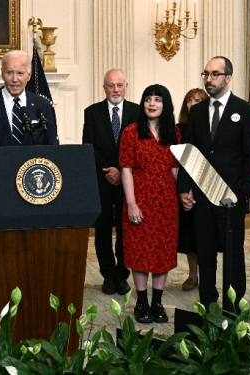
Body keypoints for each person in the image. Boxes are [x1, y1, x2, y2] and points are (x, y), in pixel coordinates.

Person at [177, 56, 250, 311]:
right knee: (205, 253)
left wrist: (245, 191)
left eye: (215, 74)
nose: (209, 79)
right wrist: (183, 188)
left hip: (230, 196)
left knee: (233, 255)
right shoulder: (199, 111)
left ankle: (233, 306)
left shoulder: (245, 110)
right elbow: (189, 153)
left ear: (228, 77)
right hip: (202, 195)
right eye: (206, 74)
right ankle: (208, 303)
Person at [120, 84, 181, 324]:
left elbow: (175, 168)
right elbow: (126, 170)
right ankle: (141, 302)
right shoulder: (131, 132)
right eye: (148, 99)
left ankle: (158, 303)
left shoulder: (174, 132)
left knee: (162, 253)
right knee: (140, 252)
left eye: (157, 99)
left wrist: (171, 195)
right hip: (140, 200)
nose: (152, 104)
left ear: (165, 105)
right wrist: (132, 204)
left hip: (166, 203)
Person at [82, 69, 139, 296]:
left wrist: (122, 170)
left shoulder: (137, 112)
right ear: (104, 87)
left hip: (129, 181)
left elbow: (139, 146)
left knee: (126, 229)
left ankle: (122, 275)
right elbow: (89, 146)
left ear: (126, 86)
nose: (115, 90)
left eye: (119, 85)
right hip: (102, 180)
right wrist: (110, 171)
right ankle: (107, 275)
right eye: (110, 85)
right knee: (103, 229)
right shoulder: (92, 112)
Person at [0, 50, 58, 161]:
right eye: (9, 73)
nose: (14, 79)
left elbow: (53, 148)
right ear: (2, 73)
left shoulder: (42, 105)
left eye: (20, 73)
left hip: (32, 175)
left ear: (29, 75)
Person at [176, 88, 208, 292]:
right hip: (183, 186)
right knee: (189, 235)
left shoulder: (212, 127)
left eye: (198, 100)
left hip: (206, 186)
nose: (193, 103)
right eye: (189, 100)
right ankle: (192, 275)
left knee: (205, 235)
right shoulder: (178, 128)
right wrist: (183, 189)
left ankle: (207, 276)